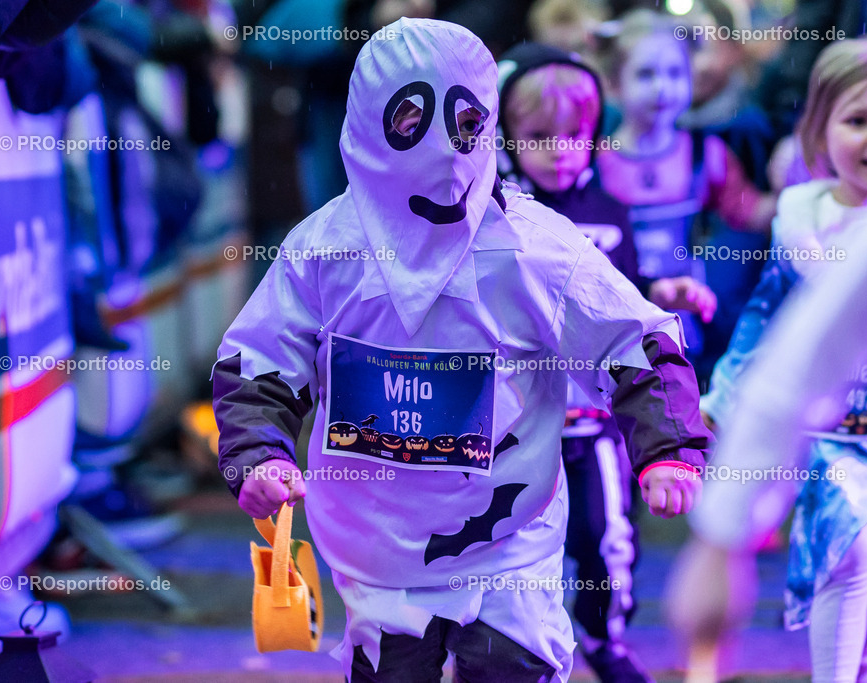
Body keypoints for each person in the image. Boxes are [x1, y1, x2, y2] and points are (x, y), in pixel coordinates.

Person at [213, 18, 710, 682]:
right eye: (410, 119)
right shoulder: (325, 249)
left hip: (508, 539)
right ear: (368, 122)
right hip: (379, 546)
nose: (445, 149)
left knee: (512, 666)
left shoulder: (534, 246)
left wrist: (667, 445)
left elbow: (634, 338)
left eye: (467, 120)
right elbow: (262, 358)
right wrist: (257, 451)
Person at [667, 12, 867, 682]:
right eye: (858, 120)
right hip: (834, 443)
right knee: (853, 549)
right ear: (818, 131)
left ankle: (861, 664)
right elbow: (771, 331)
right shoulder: (803, 226)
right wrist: (724, 405)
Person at [496, 41, 657, 683]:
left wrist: (662, 296)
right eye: (539, 135)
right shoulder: (491, 213)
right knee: (504, 543)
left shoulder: (607, 210)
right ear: (505, 133)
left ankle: (602, 638)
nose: (559, 150)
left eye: (575, 135)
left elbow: (627, 300)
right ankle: (509, 647)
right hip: (512, 424)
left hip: (594, 422)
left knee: (607, 542)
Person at [595, 9, 775, 385]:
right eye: (646, 74)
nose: (663, 87)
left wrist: (802, 175)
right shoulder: (595, 161)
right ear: (614, 84)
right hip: (613, 326)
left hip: (687, 330)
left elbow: (752, 213)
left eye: (676, 74)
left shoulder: (705, 154)